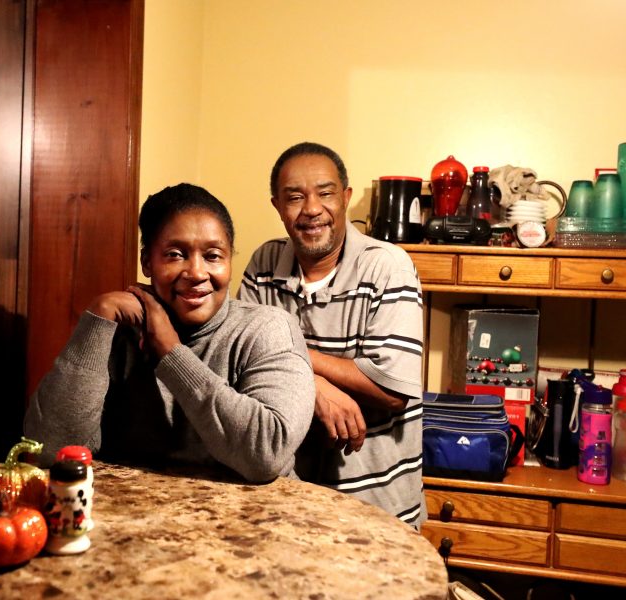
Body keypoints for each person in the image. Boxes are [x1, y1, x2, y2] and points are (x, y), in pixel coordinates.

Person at [24, 183, 315, 482]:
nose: (197, 273)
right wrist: (99, 315)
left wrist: (171, 352)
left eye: (213, 256)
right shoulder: (119, 333)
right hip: (139, 516)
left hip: (256, 520)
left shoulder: (266, 330)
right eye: (176, 255)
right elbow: (49, 451)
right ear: (147, 262)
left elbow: (266, 454)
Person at [238, 142, 425, 526]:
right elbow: (239, 364)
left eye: (325, 194)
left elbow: (392, 392)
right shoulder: (263, 264)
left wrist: (294, 363)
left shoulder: (388, 267)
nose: (311, 209)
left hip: (378, 513)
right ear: (277, 206)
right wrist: (318, 388)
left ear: (345, 198)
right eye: (294, 197)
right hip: (287, 502)